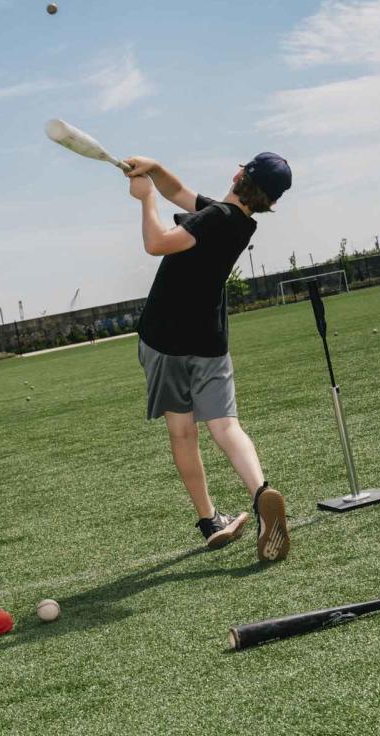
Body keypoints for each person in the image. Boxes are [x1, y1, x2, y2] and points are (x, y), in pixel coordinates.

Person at [123, 152, 293, 561]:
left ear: (239, 174)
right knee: (226, 427)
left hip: (166, 339)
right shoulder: (236, 222)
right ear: (269, 201)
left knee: (183, 433)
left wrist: (146, 197)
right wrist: (156, 168)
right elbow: (180, 192)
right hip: (209, 340)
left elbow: (156, 243)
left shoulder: (214, 218)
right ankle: (260, 492)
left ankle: (208, 519)